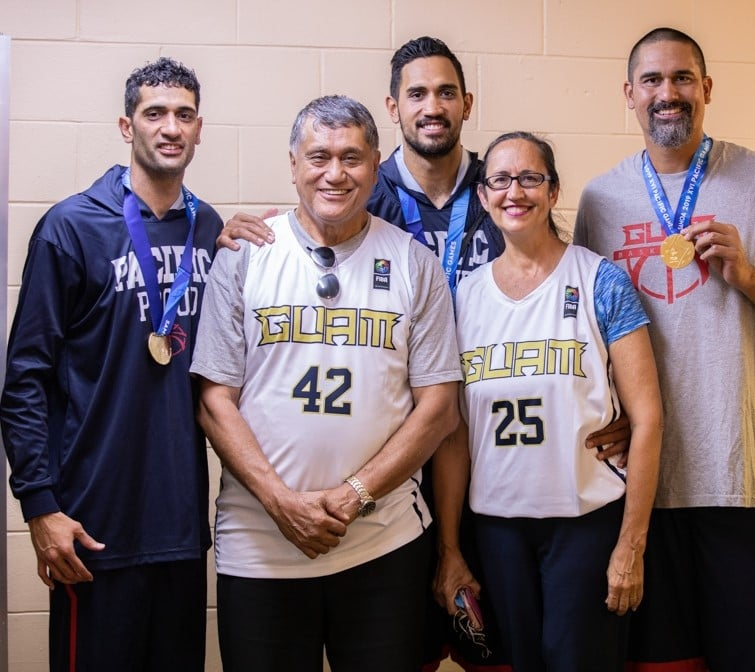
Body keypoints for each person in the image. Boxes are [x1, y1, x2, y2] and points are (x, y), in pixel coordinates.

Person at [217, 36, 629, 671]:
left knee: (515, 649)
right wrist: (251, 238)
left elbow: (577, 305)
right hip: (403, 470)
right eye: (416, 93)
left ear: (467, 103)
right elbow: (218, 388)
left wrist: (610, 406)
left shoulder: (504, 189)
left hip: (492, 471)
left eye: (445, 92)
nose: (336, 172)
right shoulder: (351, 197)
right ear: (393, 109)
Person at [574, 27, 755, 672]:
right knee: (662, 664)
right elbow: (585, 333)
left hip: (745, 476)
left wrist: (748, 276)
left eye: (681, 79)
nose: (666, 94)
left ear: (706, 89)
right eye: (651, 81)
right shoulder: (600, 199)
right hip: (644, 484)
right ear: (628, 95)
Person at [190, 95, 462, 672]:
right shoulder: (244, 255)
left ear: (375, 162)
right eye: (318, 157)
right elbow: (215, 401)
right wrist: (281, 502)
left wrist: (355, 495)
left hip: (383, 544)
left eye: (351, 158)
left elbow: (438, 408)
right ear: (292, 164)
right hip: (260, 545)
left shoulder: (414, 262)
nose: (334, 173)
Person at [0, 58, 221, 671]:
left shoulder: (208, 228)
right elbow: (25, 381)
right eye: (155, 114)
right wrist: (40, 506)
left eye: (183, 115)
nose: (170, 127)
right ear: (127, 126)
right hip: (91, 525)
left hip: (179, 523)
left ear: (199, 129)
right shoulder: (70, 228)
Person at [434, 131, 663, 672]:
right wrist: (449, 547)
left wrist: (632, 546)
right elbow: (455, 432)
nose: (515, 191)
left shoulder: (599, 280)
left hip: (584, 522)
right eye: (500, 180)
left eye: (530, 178)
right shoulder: (464, 295)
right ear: (484, 197)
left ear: (554, 190)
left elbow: (649, 418)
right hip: (497, 527)